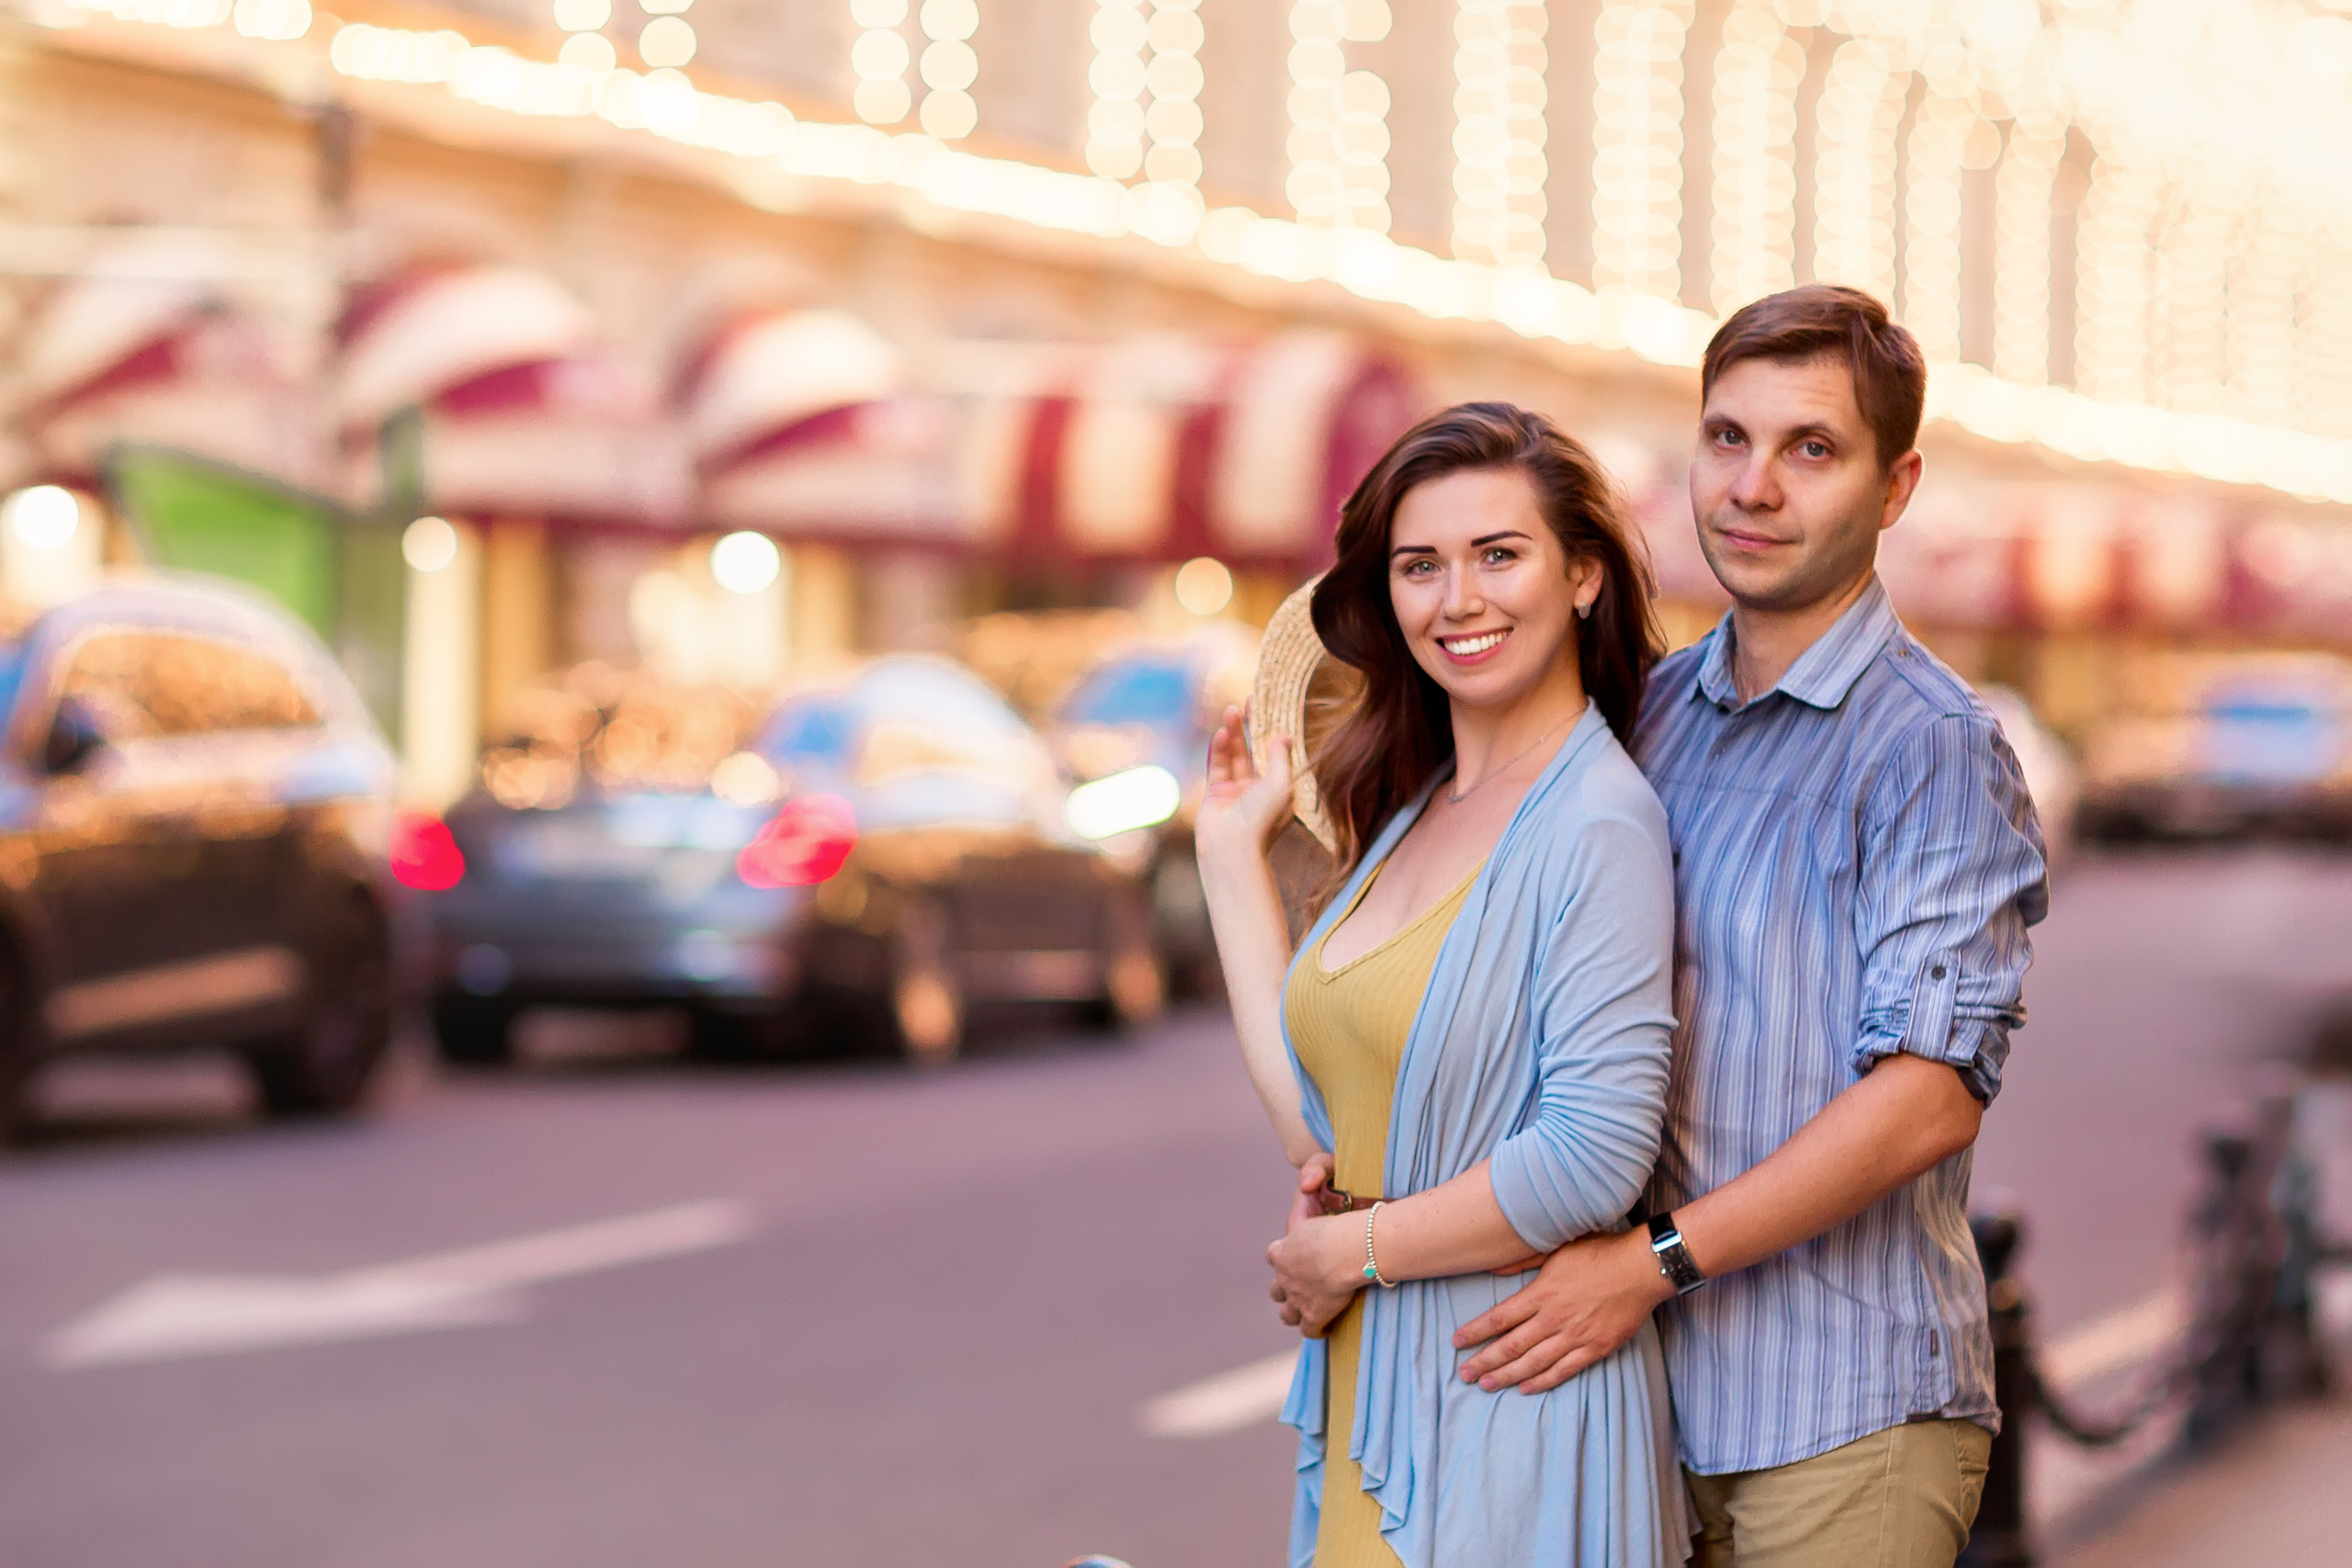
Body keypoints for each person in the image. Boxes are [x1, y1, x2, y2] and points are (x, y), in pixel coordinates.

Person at [1450, 286, 2049, 1568]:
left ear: (1894, 488)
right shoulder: (1644, 715)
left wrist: (1651, 1264)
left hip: (1840, 1416)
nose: (1753, 486)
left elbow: (1929, 1097)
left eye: (1810, 448)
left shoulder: (1931, 747)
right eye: (1728, 437)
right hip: (1628, 1407)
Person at [1194, 402, 1689, 1567]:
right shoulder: (1415, 809)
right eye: (1420, 566)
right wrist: (1226, 856)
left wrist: (1350, 1252)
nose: (1458, 599)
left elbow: (1593, 1156)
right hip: (1381, 1373)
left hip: (1507, 1391)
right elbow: (1323, 1134)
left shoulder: (1599, 822)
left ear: (1581, 577)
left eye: (1497, 555)